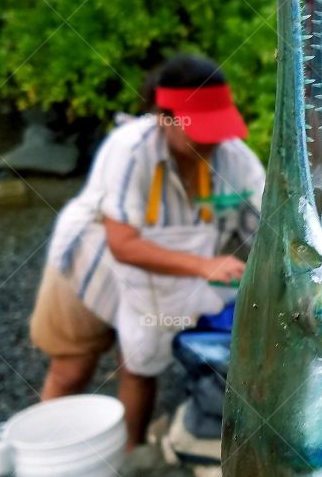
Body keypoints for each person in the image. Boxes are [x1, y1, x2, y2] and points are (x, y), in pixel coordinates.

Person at [29, 54, 265, 446]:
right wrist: (204, 265)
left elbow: (267, 226)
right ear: (164, 118)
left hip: (165, 278)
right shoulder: (129, 150)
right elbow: (122, 245)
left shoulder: (235, 160)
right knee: (73, 367)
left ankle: (132, 456)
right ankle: (42, 457)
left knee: (138, 361)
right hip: (91, 263)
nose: (211, 141)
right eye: (199, 130)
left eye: (217, 129)